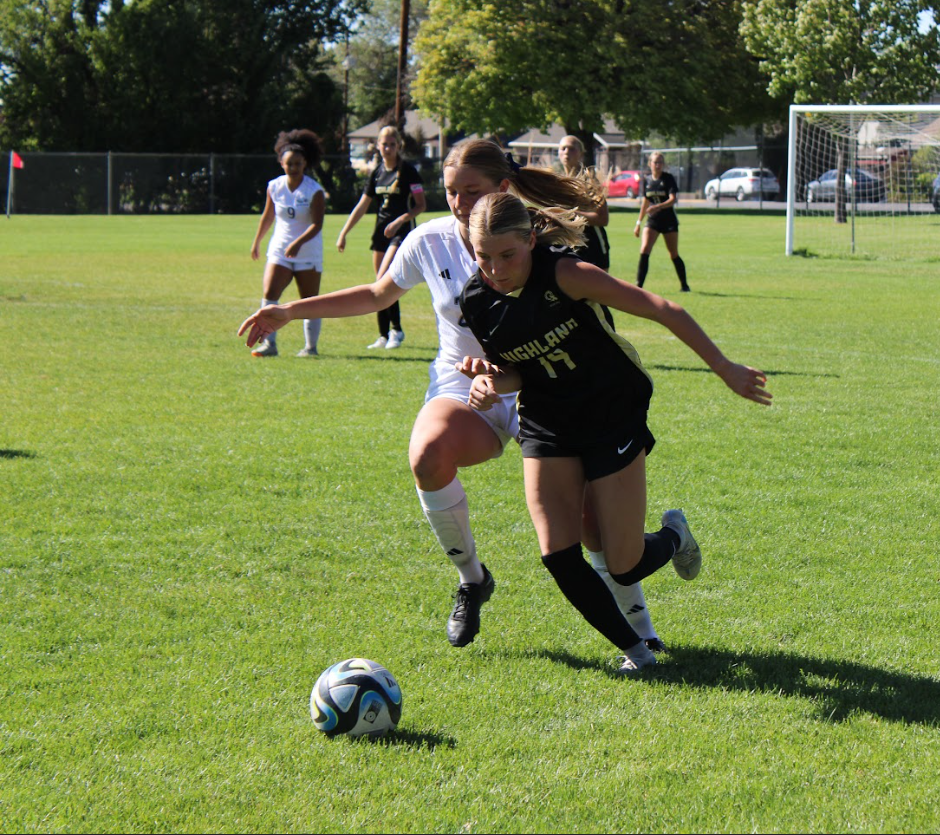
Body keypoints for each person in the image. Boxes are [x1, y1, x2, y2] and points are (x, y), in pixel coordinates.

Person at [238, 138, 664, 652]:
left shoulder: (528, 236)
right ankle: (471, 578)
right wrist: (291, 310)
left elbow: (588, 289)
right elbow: (377, 294)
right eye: (450, 192)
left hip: (543, 390)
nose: (459, 204)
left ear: (502, 189)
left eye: (471, 191)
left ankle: (643, 633)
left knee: (595, 528)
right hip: (464, 388)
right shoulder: (429, 240)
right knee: (427, 454)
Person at [456, 192, 771, 671]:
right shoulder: (477, 300)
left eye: (507, 255)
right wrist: (488, 381)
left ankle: (674, 536)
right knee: (558, 553)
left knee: (624, 561)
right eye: (483, 256)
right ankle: (638, 653)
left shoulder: (567, 274)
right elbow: (520, 370)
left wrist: (724, 367)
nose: (495, 269)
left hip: (610, 411)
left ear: (532, 240)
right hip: (547, 419)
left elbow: (664, 308)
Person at [336, 126, 427, 350]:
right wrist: (344, 232)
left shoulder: (408, 172)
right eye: (384, 144)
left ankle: (396, 330)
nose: (387, 148)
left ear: (398, 146)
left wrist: (399, 221)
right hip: (380, 234)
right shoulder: (377, 172)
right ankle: (383, 336)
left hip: (401, 234)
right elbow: (362, 205)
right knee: (379, 282)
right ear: (378, 146)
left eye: (392, 144)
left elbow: (421, 205)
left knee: (384, 277)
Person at [249, 129, 327, 358]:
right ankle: (268, 344)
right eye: (289, 163)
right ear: (281, 163)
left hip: (308, 252)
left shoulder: (314, 191)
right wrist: (257, 241)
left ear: (305, 164)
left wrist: (298, 244)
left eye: (298, 163)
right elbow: (268, 216)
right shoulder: (275, 186)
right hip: (280, 250)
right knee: (270, 293)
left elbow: (317, 225)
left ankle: (310, 348)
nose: (293, 167)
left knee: (309, 301)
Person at [635, 152, 689, 292]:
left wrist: (657, 207)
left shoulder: (668, 178)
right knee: (645, 249)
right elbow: (646, 202)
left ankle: (684, 285)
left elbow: (672, 200)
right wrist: (638, 223)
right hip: (653, 221)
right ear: (650, 164)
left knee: (673, 253)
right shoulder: (647, 180)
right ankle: (639, 286)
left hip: (668, 220)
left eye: (660, 162)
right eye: (655, 162)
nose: (658, 165)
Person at [557, 135, 610, 270]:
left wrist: (571, 214)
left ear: (581, 153)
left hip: (592, 242)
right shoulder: (559, 183)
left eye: (572, 149)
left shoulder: (589, 181)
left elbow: (602, 219)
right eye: (563, 148)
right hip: (571, 242)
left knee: (599, 289)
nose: (566, 152)